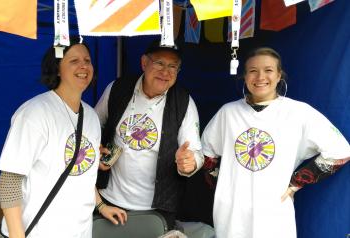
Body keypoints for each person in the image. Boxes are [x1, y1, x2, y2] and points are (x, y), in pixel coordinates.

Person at [201, 47, 350, 238]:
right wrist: (222, 185)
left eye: (268, 70)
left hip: (273, 211)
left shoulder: (298, 112)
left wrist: (297, 182)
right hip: (232, 214)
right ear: (244, 77)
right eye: (253, 71)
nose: (260, 76)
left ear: (279, 76)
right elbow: (206, 153)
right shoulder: (227, 113)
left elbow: (340, 150)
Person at [0, 37, 125, 238]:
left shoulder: (91, 116)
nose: (83, 66)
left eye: (87, 60)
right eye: (74, 61)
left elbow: (84, 174)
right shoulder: (35, 113)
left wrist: (100, 205)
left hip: (80, 232)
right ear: (57, 68)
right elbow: (9, 181)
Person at [94, 40, 204, 230]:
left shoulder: (184, 102)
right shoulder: (118, 88)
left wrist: (190, 163)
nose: (165, 72)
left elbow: (195, 153)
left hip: (158, 208)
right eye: (159, 63)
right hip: (110, 200)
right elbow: (93, 124)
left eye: (173, 66)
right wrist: (96, 148)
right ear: (144, 63)